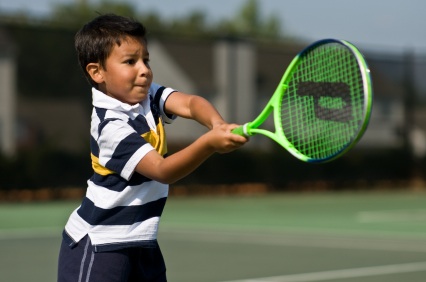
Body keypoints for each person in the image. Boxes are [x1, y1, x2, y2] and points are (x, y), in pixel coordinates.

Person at [57, 13, 247, 282]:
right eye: (130, 62)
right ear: (97, 72)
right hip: (99, 244)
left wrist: (217, 124)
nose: (144, 69)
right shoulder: (110, 126)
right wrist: (209, 144)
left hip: (142, 242)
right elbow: (162, 170)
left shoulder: (149, 97)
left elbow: (191, 103)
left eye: (145, 59)